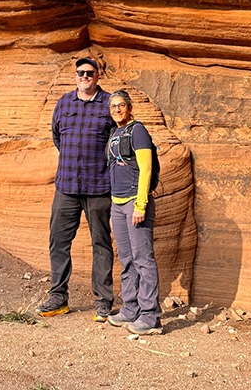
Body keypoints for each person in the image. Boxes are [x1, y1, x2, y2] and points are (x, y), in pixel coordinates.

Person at [36, 56, 114, 321]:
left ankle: (103, 302)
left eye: (90, 73)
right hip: (67, 185)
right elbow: (57, 136)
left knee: (101, 244)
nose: (85, 76)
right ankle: (58, 297)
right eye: (81, 72)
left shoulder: (109, 104)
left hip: (99, 186)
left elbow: (117, 140)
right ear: (75, 75)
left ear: (98, 76)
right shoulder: (64, 102)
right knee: (58, 241)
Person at [106, 90, 162, 335]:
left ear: (129, 107)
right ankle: (130, 309)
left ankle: (150, 316)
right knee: (126, 259)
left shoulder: (137, 130)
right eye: (113, 107)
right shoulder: (114, 133)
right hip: (117, 203)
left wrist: (141, 204)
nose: (117, 110)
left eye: (121, 105)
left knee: (143, 259)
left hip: (134, 202)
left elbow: (146, 169)